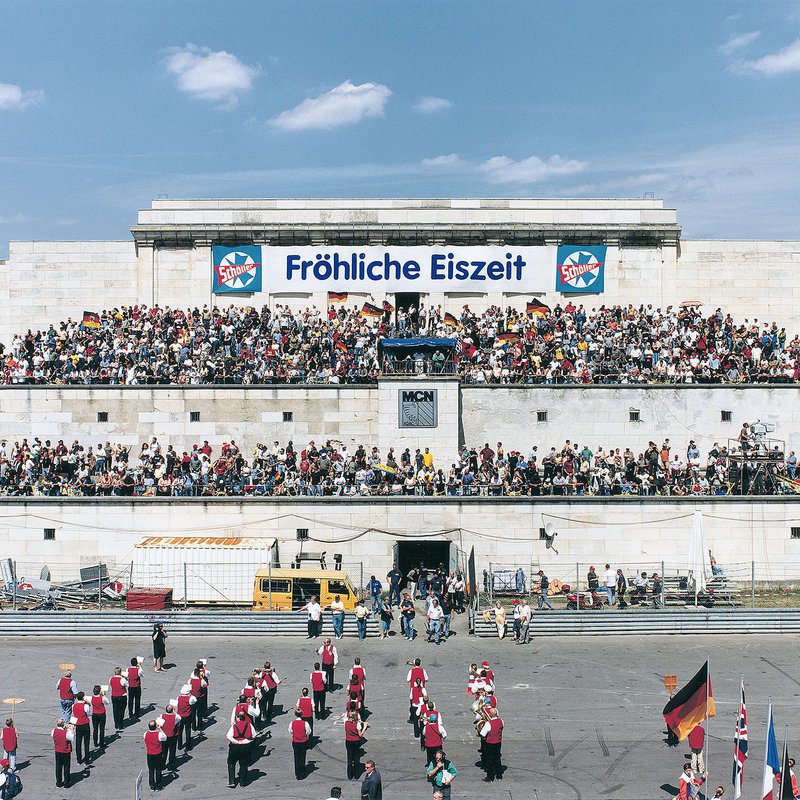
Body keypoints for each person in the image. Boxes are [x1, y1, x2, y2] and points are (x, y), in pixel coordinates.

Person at [226, 710, 255, 788]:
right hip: (246, 746)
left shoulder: (234, 726)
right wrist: (246, 740)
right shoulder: (249, 725)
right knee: (243, 764)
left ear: (237, 718)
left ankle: (232, 781)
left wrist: (237, 742)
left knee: (231, 763)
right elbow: (254, 735)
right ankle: (242, 782)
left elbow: (229, 736)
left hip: (235, 747)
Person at [478, 707, 504, 782]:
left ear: (490, 714)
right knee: (497, 759)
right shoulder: (501, 721)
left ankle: (490, 777)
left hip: (489, 744)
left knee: (490, 760)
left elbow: (482, 734)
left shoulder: (488, 724)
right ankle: (499, 775)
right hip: (498, 743)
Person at [157, 704, 181, 774]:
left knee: (164, 752)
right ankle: (171, 765)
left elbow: (159, 724)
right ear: (172, 710)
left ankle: (162, 765)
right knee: (172, 751)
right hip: (172, 736)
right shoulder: (175, 717)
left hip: (165, 737)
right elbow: (179, 717)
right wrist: (174, 711)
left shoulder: (162, 716)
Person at [143, 719, 167, 791]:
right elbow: (165, 737)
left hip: (150, 754)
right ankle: (158, 785)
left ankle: (152, 785)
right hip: (158, 754)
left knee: (151, 770)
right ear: (155, 726)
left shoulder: (145, 734)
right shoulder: (159, 734)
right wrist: (160, 729)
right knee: (158, 770)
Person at [289, 708, 311, 780]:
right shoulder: (305, 723)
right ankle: (302, 773)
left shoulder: (292, 723)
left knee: (296, 757)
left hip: (295, 741)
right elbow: (308, 732)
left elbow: (290, 731)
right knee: (302, 757)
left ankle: (297, 773)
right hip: (303, 741)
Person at [52, 718, 74, 789]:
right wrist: (71, 729)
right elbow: (71, 738)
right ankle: (66, 783)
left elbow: (54, 735)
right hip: (65, 752)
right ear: (62, 724)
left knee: (58, 767)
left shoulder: (53, 731)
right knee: (66, 767)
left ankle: (59, 782)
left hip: (58, 751)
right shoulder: (66, 733)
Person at [71, 691, 91, 766]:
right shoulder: (85, 706)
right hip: (85, 724)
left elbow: (74, 714)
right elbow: (89, 714)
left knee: (78, 743)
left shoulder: (74, 706)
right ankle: (86, 759)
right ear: (83, 698)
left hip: (78, 725)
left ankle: (79, 759)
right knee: (86, 742)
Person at [344, 711, 365, 780]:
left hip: (348, 741)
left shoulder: (346, 723)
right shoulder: (357, 724)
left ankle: (349, 775)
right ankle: (356, 775)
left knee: (349, 758)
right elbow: (360, 735)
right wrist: (364, 727)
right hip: (356, 741)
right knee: (356, 758)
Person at [176, 685, 196, 751]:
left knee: (179, 731)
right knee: (188, 731)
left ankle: (179, 745)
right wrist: (191, 694)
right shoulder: (190, 699)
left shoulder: (178, 698)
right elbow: (194, 700)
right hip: (187, 716)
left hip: (180, 717)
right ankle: (188, 746)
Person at [109, 666, 128, 732]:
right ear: (120, 672)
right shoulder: (122, 679)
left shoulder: (111, 679)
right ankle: (120, 724)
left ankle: (116, 724)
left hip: (114, 696)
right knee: (121, 711)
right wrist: (125, 678)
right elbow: (127, 685)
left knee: (115, 710)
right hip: (121, 696)